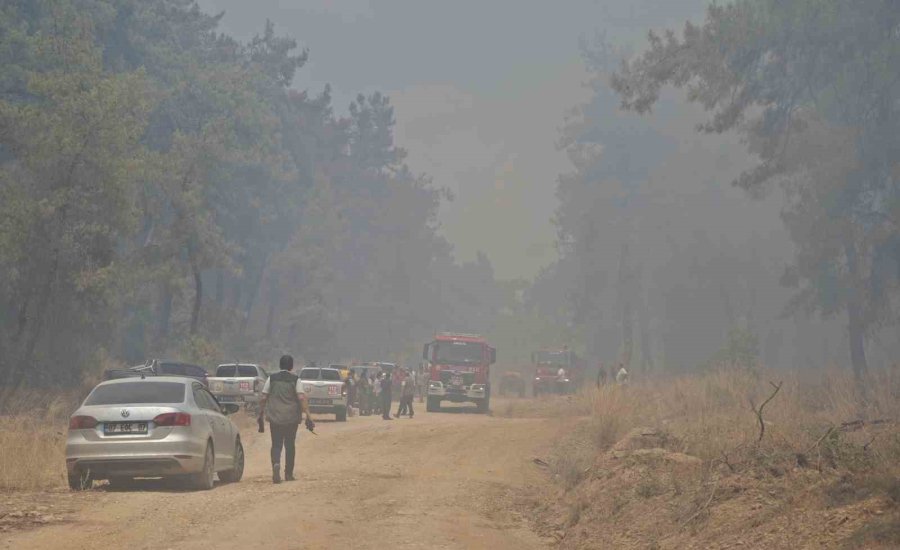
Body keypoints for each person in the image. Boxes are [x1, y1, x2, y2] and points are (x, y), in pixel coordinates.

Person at [258, 354, 314, 484]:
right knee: (290, 445)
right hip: (291, 418)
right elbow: (301, 397)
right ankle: (288, 474)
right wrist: (308, 415)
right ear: (291, 366)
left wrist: (260, 413)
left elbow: (263, 397)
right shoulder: (295, 379)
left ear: (280, 365)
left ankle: (276, 464)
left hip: (275, 417)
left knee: (276, 444)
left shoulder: (271, 378)